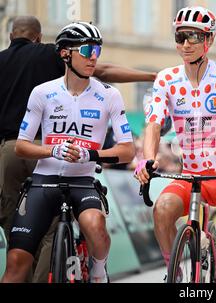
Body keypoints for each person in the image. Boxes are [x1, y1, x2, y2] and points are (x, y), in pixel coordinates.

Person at [0, 16, 156, 282]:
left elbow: (128, 151)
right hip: (43, 180)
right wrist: (53, 150)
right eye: (86, 50)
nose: (93, 57)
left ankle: (97, 273)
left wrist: (90, 154)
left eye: (97, 50)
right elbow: (23, 146)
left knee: (95, 226)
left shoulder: (109, 95)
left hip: (82, 180)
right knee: (15, 262)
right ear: (64, 54)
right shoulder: (42, 92)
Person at [135, 6, 216, 282]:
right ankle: (176, 275)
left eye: (193, 36)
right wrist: (147, 159)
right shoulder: (166, 78)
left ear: (209, 40)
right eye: (180, 37)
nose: (185, 44)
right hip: (190, 176)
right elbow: (154, 123)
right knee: (162, 209)